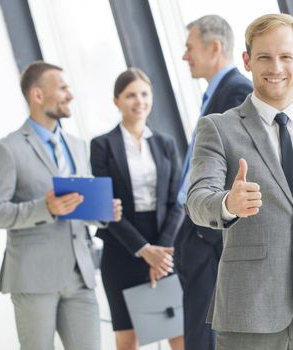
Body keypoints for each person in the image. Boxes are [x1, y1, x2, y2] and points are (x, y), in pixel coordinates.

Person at [185, 13, 293, 350]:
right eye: (264, 57)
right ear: (247, 61)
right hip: (251, 310)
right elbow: (197, 199)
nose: (276, 67)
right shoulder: (218, 127)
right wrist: (228, 204)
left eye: (285, 57)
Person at [0, 61, 122, 350]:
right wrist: (45, 209)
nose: (70, 95)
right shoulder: (6, 150)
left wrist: (103, 212)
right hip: (34, 278)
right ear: (37, 95)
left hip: (80, 275)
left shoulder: (77, 145)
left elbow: (77, 205)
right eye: (62, 88)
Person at [90, 68, 185, 350]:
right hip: (122, 249)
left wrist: (160, 253)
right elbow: (106, 208)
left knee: (178, 335)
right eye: (130, 95)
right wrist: (144, 250)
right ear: (116, 101)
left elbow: (177, 201)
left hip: (164, 248)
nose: (139, 101)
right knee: (127, 339)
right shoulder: (102, 146)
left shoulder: (165, 144)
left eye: (144, 94)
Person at [176, 14, 253, 350]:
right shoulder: (217, 92)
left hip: (209, 234)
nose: (184, 56)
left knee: (204, 335)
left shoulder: (236, 91)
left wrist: (204, 232)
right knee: (199, 330)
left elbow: (241, 162)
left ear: (215, 47)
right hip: (197, 228)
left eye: (189, 47)